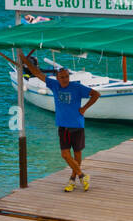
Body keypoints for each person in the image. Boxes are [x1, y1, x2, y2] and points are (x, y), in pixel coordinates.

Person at [19, 53, 99, 191]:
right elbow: (37, 73)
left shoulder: (77, 87)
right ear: (57, 78)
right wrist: (24, 60)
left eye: (67, 76)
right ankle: (82, 175)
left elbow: (96, 94)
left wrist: (84, 108)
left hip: (77, 125)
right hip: (63, 126)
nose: (65, 79)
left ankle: (72, 180)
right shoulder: (54, 85)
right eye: (62, 77)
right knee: (65, 155)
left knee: (77, 155)